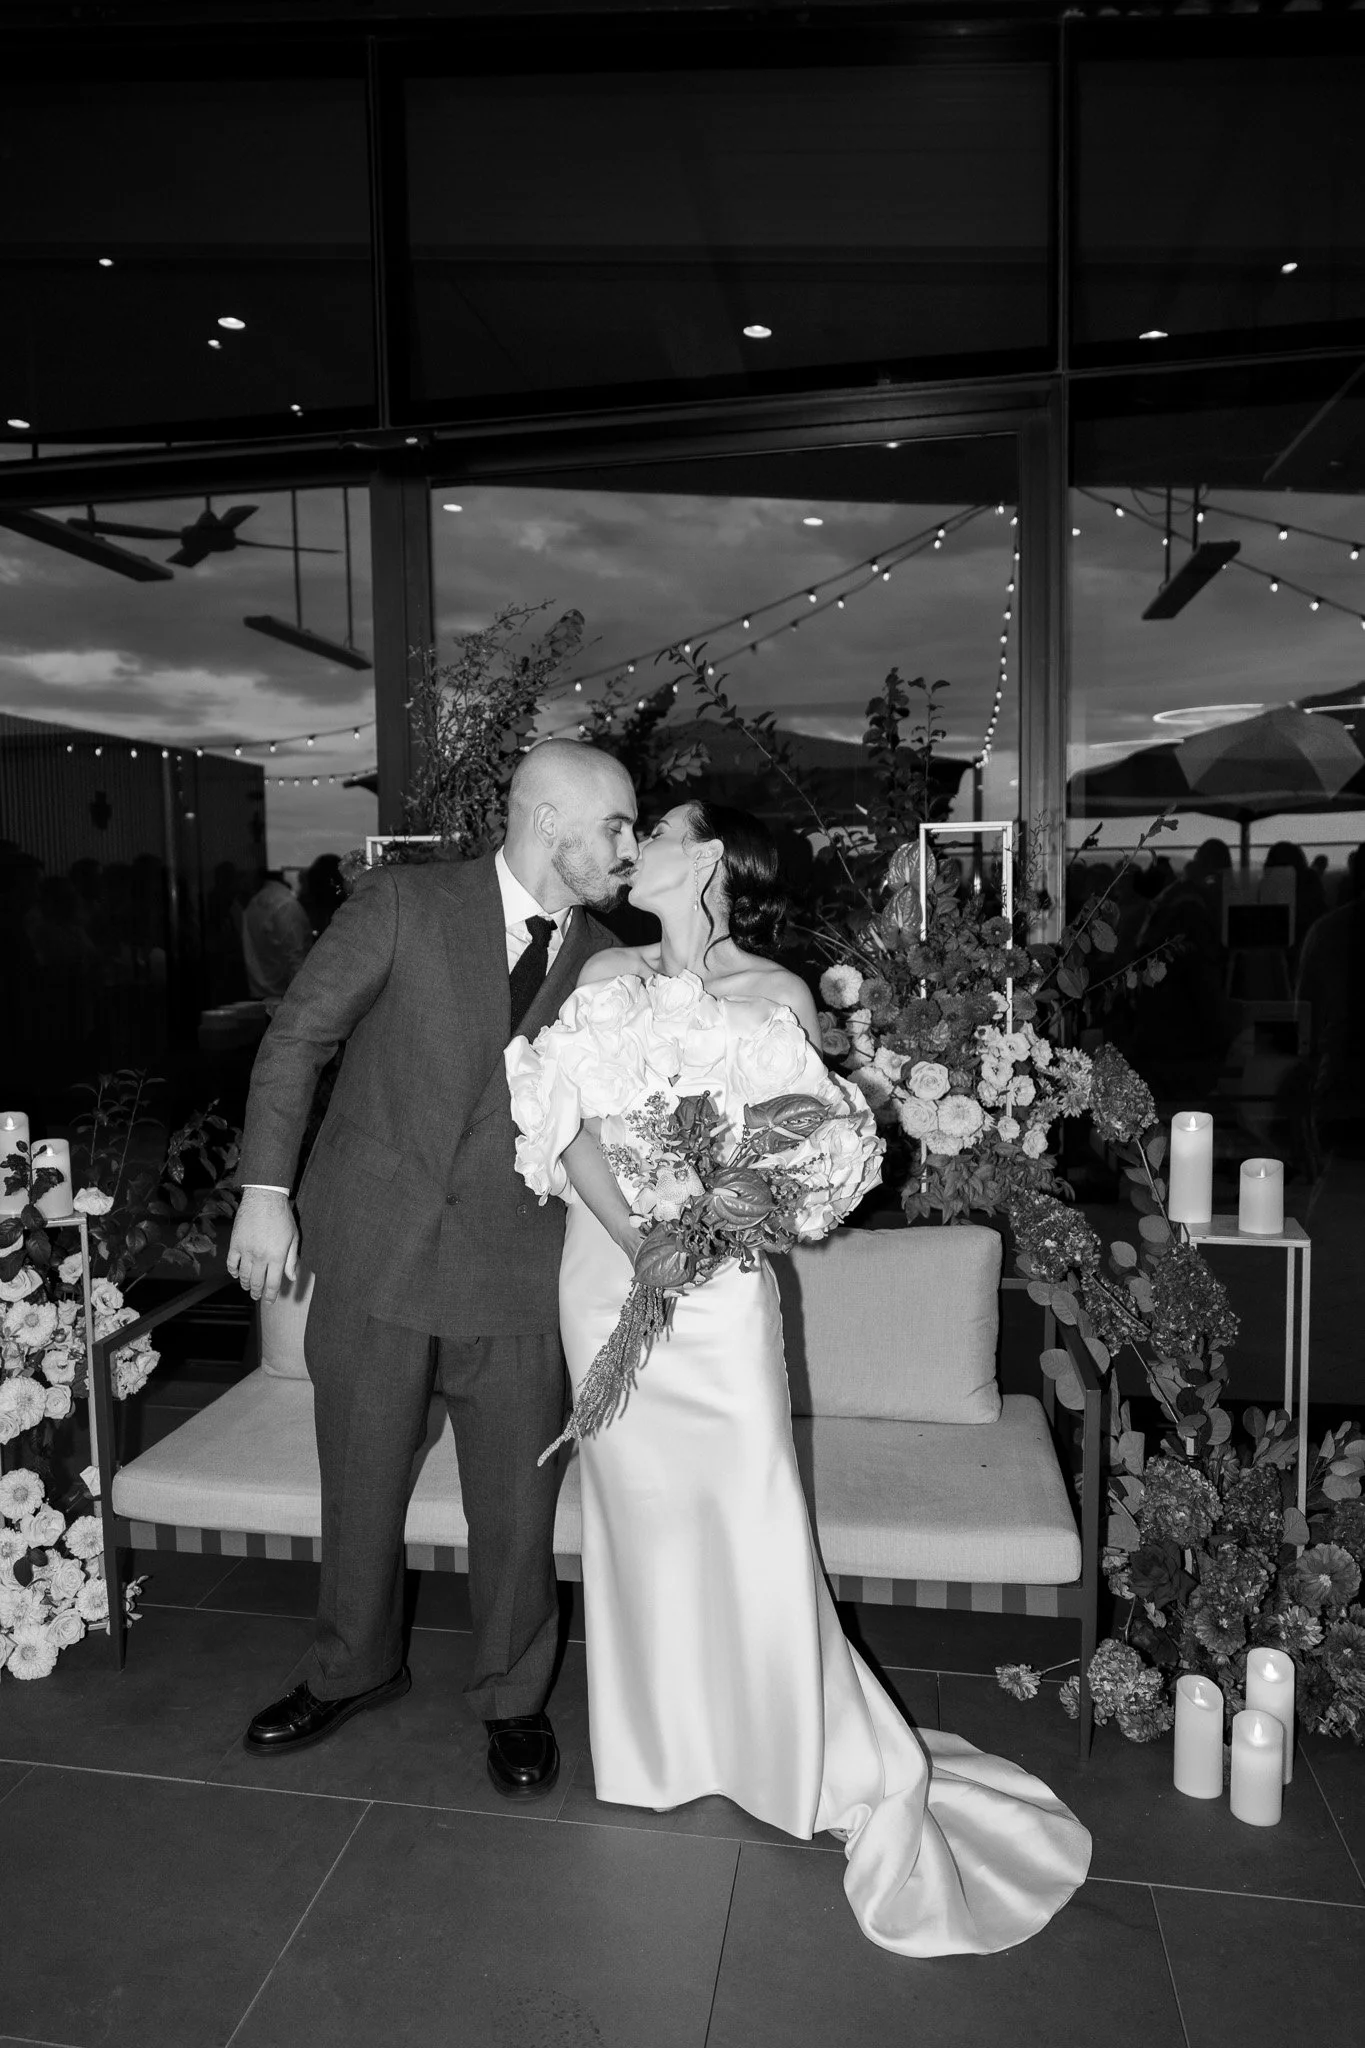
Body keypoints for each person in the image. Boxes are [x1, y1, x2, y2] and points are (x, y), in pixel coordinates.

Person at [505, 800, 1091, 1956]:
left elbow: (815, 1164)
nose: (633, 845)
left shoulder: (774, 996)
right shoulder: (603, 971)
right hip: (608, 1280)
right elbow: (558, 1118)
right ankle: (658, 1750)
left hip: (721, 1298)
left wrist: (721, 1220)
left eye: (655, 830)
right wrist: (637, 1238)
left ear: (709, 859)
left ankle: (783, 1752)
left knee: (747, 1510)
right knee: (637, 1517)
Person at [227, 740, 638, 1796]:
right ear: (548, 821)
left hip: (519, 1269)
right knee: (359, 1483)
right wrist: (265, 1191)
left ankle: (512, 1695)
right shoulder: (405, 903)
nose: (628, 849)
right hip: (376, 1249)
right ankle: (349, 1665)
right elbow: (297, 1039)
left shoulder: (611, 961)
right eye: (615, 826)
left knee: (516, 1510)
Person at [241, 868, 315, 1015]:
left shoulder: (253, 903)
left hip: (259, 996)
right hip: (284, 1000)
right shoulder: (286, 904)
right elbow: (296, 957)